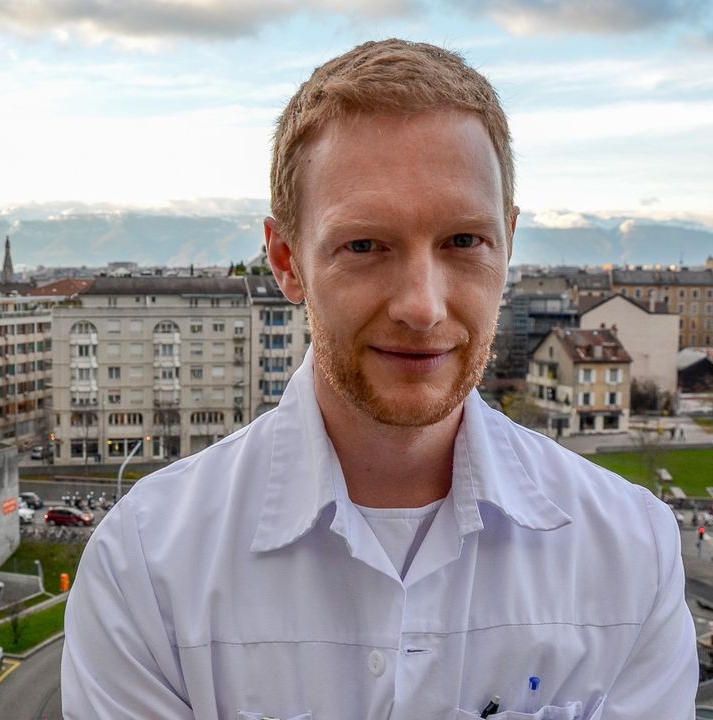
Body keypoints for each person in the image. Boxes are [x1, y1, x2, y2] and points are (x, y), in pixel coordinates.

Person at [61, 39, 697, 719]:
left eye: (463, 242)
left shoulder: (630, 553)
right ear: (286, 261)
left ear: (507, 245)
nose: (421, 307)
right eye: (364, 246)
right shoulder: (146, 567)